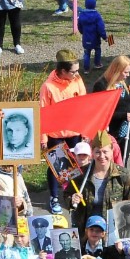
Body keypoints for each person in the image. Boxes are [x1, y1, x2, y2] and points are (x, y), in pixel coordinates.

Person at [40, 49, 87, 213]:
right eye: (73, 71)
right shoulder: (48, 87)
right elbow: (43, 113)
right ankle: (54, 197)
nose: (77, 74)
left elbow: (84, 106)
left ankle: (73, 194)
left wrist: (85, 131)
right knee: (56, 166)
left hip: (74, 131)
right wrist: (43, 138)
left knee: (75, 164)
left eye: (78, 70)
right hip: (56, 134)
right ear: (62, 71)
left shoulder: (77, 81)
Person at [67, 131, 130, 235]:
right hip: (86, 230)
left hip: (112, 230)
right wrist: (72, 200)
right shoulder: (81, 174)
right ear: (92, 153)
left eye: (105, 152)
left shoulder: (123, 175)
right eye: (97, 152)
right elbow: (67, 195)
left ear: (112, 151)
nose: (102, 156)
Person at [92, 56, 130, 160]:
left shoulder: (121, 82)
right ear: (116, 71)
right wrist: (123, 116)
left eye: (129, 72)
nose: (128, 75)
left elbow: (129, 101)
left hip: (126, 129)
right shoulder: (101, 86)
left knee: (124, 160)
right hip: (111, 131)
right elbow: (100, 113)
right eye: (125, 72)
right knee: (111, 160)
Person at [78, 0, 106, 72]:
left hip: (86, 38)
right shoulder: (97, 15)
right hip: (95, 38)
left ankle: (86, 69)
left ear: (85, 5)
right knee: (97, 50)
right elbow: (101, 28)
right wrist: (104, 37)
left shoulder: (82, 15)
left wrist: (82, 32)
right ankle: (97, 63)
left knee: (87, 53)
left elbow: (79, 26)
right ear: (94, 5)